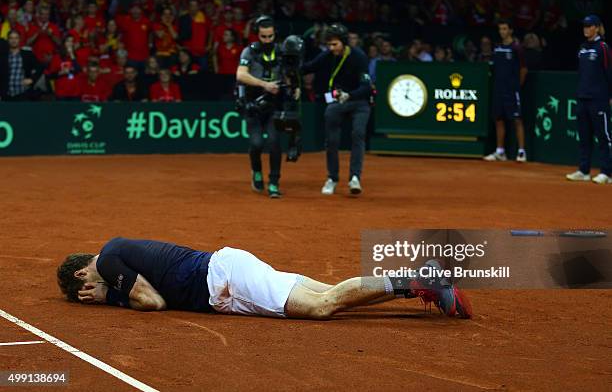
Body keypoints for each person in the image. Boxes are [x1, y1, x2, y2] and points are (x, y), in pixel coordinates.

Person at [56, 237, 473, 320]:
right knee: (330, 295)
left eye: (82, 292)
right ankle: (416, 285)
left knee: (320, 308)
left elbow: (153, 303)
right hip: (227, 273)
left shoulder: (109, 262)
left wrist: (109, 296)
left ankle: (419, 278)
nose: (87, 294)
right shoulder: (115, 250)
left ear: (81, 275)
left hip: (225, 280)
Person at [302, 23, 371, 195]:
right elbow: (308, 67)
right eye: (329, 45)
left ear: (344, 42)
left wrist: (350, 95)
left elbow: (367, 86)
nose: (331, 48)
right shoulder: (327, 55)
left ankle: (355, 178)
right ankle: (332, 178)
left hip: (359, 101)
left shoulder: (359, 56)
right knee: (331, 140)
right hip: (337, 101)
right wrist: (289, 68)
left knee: (358, 134)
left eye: (335, 44)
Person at [235, 15, 283, 198]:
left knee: (274, 142)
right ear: (258, 35)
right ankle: (256, 171)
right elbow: (240, 75)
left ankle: (274, 182)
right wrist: (264, 84)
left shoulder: (281, 51)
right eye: (263, 37)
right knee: (256, 143)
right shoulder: (249, 52)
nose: (267, 40)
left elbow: (292, 73)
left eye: (270, 36)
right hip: (253, 103)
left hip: (274, 104)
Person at [566, 15, 612, 184]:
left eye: (589, 26)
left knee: (603, 136)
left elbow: (609, 73)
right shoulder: (582, 48)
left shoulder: (603, 47)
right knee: (584, 137)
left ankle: (607, 173)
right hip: (582, 97)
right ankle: (584, 171)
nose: (586, 28)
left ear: (597, 28)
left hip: (599, 99)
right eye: (584, 26)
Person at [484, 20, 528, 162]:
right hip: (498, 89)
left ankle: (521, 152)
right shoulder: (497, 48)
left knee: (517, 119)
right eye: (500, 29)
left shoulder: (517, 48)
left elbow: (523, 69)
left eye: (504, 29)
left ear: (510, 30)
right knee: (498, 119)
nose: (502, 31)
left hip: (512, 90)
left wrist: (517, 86)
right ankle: (500, 151)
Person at [0, 30, 41, 101]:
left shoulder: (27, 54)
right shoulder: (3, 56)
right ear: (8, 40)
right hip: (6, 94)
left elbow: (40, 67)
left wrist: (32, 79)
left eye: (16, 38)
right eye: (11, 38)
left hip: (23, 93)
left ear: (19, 40)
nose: (14, 40)